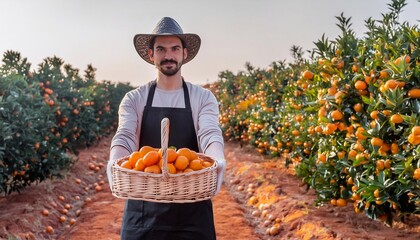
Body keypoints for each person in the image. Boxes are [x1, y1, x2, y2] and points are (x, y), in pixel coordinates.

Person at [106, 17, 226, 240]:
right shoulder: (134, 99)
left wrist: (218, 159)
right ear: (151, 55)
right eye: (161, 49)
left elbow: (210, 134)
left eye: (174, 49)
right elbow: (126, 135)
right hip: (143, 212)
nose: (168, 55)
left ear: (184, 54)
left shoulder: (203, 98)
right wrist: (114, 161)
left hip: (193, 211)